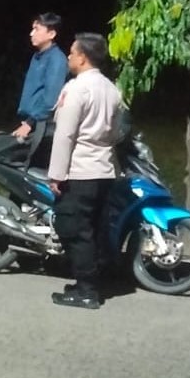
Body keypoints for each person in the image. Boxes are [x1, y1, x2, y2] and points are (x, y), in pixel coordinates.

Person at [46, 32, 125, 310]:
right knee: (95, 228)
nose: (68, 57)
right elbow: (116, 132)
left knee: (75, 230)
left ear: (82, 57)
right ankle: (90, 282)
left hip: (80, 170)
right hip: (104, 169)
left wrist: (57, 174)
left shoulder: (77, 89)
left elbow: (65, 134)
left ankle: (86, 290)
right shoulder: (112, 89)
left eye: (71, 53)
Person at [9, 12, 68, 166]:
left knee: (32, 166)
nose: (31, 33)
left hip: (43, 124)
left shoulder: (57, 60)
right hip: (32, 121)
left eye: (37, 29)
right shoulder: (38, 57)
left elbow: (50, 99)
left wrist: (30, 123)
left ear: (51, 34)